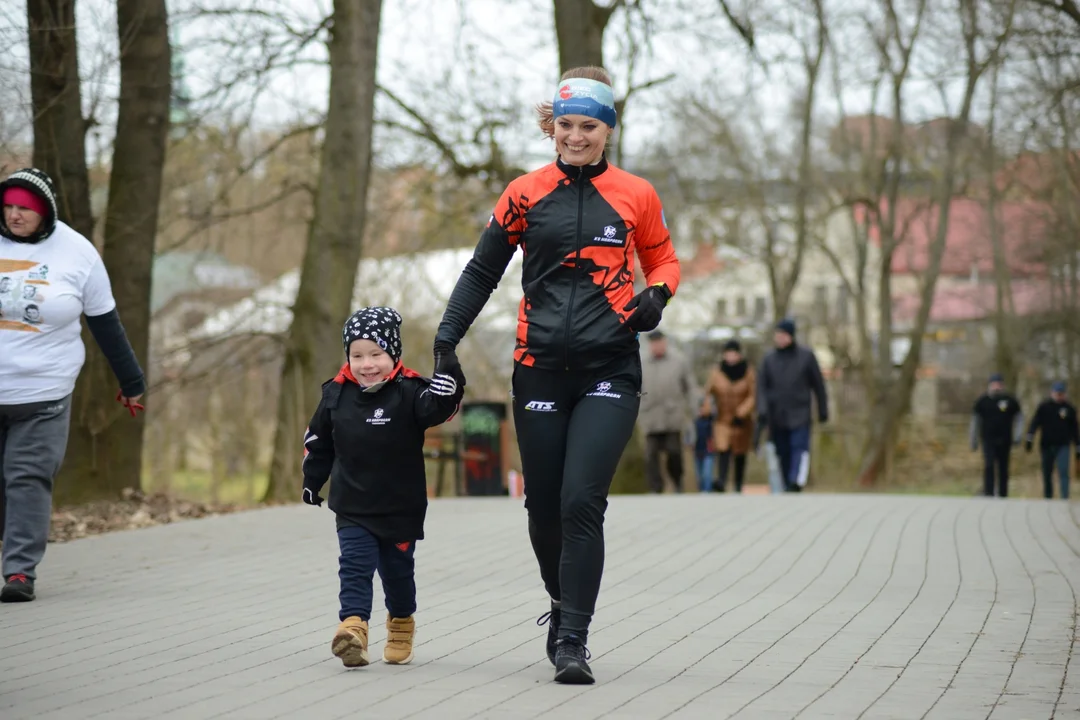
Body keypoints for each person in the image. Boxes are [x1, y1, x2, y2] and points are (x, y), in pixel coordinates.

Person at [432, 66, 680, 684]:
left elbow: (664, 258)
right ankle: (560, 598)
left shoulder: (635, 194)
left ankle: (574, 638)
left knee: (579, 502)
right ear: (555, 128)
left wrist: (659, 296)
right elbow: (481, 271)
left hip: (609, 368)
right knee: (542, 508)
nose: (575, 137)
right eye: (566, 125)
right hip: (537, 369)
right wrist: (445, 342)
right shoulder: (523, 193)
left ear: (608, 130)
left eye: (588, 127)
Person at [0, 168, 145, 603]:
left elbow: (106, 325)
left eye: (24, 208)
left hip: (44, 391)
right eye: (7, 207)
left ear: (44, 211)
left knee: (28, 478)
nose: (14, 215)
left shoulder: (77, 253)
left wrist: (131, 381)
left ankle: (20, 571)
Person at [302, 307, 465, 668]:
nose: (367, 364)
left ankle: (402, 623)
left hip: (399, 507)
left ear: (393, 354)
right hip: (352, 505)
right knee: (354, 566)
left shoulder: (410, 392)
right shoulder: (335, 395)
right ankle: (353, 629)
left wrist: (449, 374)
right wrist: (312, 482)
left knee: (397, 575)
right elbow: (318, 443)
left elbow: (440, 407)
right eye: (357, 355)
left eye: (376, 354)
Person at [756, 319, 828, 492]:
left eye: (783, 335)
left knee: (799, 448)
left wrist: (823, 409)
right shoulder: (769, 359)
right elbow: (761, 387)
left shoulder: (806, 357)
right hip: (777, 415)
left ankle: (796, 481)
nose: (780, 338)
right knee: (783, 452)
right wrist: (763, 410)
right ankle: (787, 482)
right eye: (778, 335)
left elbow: (818, 385)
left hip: (800, 413)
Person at [640, 330, 698, 494]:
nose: (656, 345)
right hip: (650, 415)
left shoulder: (679, 361)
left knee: (674, 452)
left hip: (672, 415)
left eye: (659, 342)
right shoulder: (642, 363)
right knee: (651, 454)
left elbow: (690, 387)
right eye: (653, 342)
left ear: (665, 342)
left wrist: (693, 409)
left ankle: (677, 481)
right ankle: (656, 487)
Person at [702, 339, 756, 493]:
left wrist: (742, 412)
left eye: (734, 353)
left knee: (740, 452)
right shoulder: (716, 373)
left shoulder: (748, 372)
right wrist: (706, 410)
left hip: (742, 421)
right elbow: (708, 393)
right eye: (728, 353)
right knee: (723, 449)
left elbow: (753, 395)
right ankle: (721, 481)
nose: (731, 356)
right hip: (723, 419)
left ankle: (738, 484)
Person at [970, 373, 1023, 498]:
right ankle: (988, 492)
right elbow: (975, 422)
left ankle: (1003, 493)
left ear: (1002, 385)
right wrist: (973, 439)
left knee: (1003, 467)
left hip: (1005, 439)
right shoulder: (982, 401)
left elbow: (1020, 418)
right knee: (988, 465)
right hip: (988, 439)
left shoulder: (1010, 401)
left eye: (999, 384)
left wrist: (1018, 435)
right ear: (990, 385)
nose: (997, 387)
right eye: (994, 384)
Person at [1025, 381, 1078, 500]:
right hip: (1046, 445)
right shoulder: (1044, 407)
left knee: (1063, 471)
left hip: (1063, 445)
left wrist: (1077, 445)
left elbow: (1074, 429)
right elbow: (1035, 423)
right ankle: (1048, 497)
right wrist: (1030, 437)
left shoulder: (1069, 409)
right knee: (1047, 472)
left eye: (1061, 393)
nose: (1059, 396)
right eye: (1057, 393)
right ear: (1052, 393)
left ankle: (1065, 497)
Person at [692, 397, 716, 493]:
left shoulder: (711, 420)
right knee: (699, 475)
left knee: (707, 474)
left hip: (708, 451)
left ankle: (707, 491)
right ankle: (701, 490)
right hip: (698, 451)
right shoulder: (696, 421)